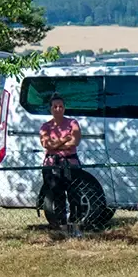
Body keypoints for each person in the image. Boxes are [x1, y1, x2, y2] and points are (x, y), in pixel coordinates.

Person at [39, 93, 84, 234]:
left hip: (71, 164)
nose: (58, 109)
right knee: (58, 197)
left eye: (61, 106)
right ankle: (62, 228)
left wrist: (56, 144)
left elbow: (75, 141)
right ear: (50, 109)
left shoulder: (72, 123)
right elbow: (46, 144)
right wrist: (65, 139)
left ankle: (76, 226)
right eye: (55, 106)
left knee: (75, 196)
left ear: (64, 108)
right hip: (52, 165)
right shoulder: (45, 126)